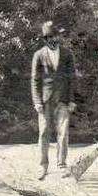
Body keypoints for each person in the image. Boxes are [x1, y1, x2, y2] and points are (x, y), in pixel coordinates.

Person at [30, 21, 76, 180]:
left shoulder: (67, 54)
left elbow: (72, 79)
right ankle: (42, 166)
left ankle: (62, 165)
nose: (55, 39)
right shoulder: (39, 55)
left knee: (63, 133)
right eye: (51, 37)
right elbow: (35, 80)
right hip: (45, 101)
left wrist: (71, 100)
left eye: (57, 36)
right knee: (43, 133)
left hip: (63, 100)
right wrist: (36, 101)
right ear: (46, 38)